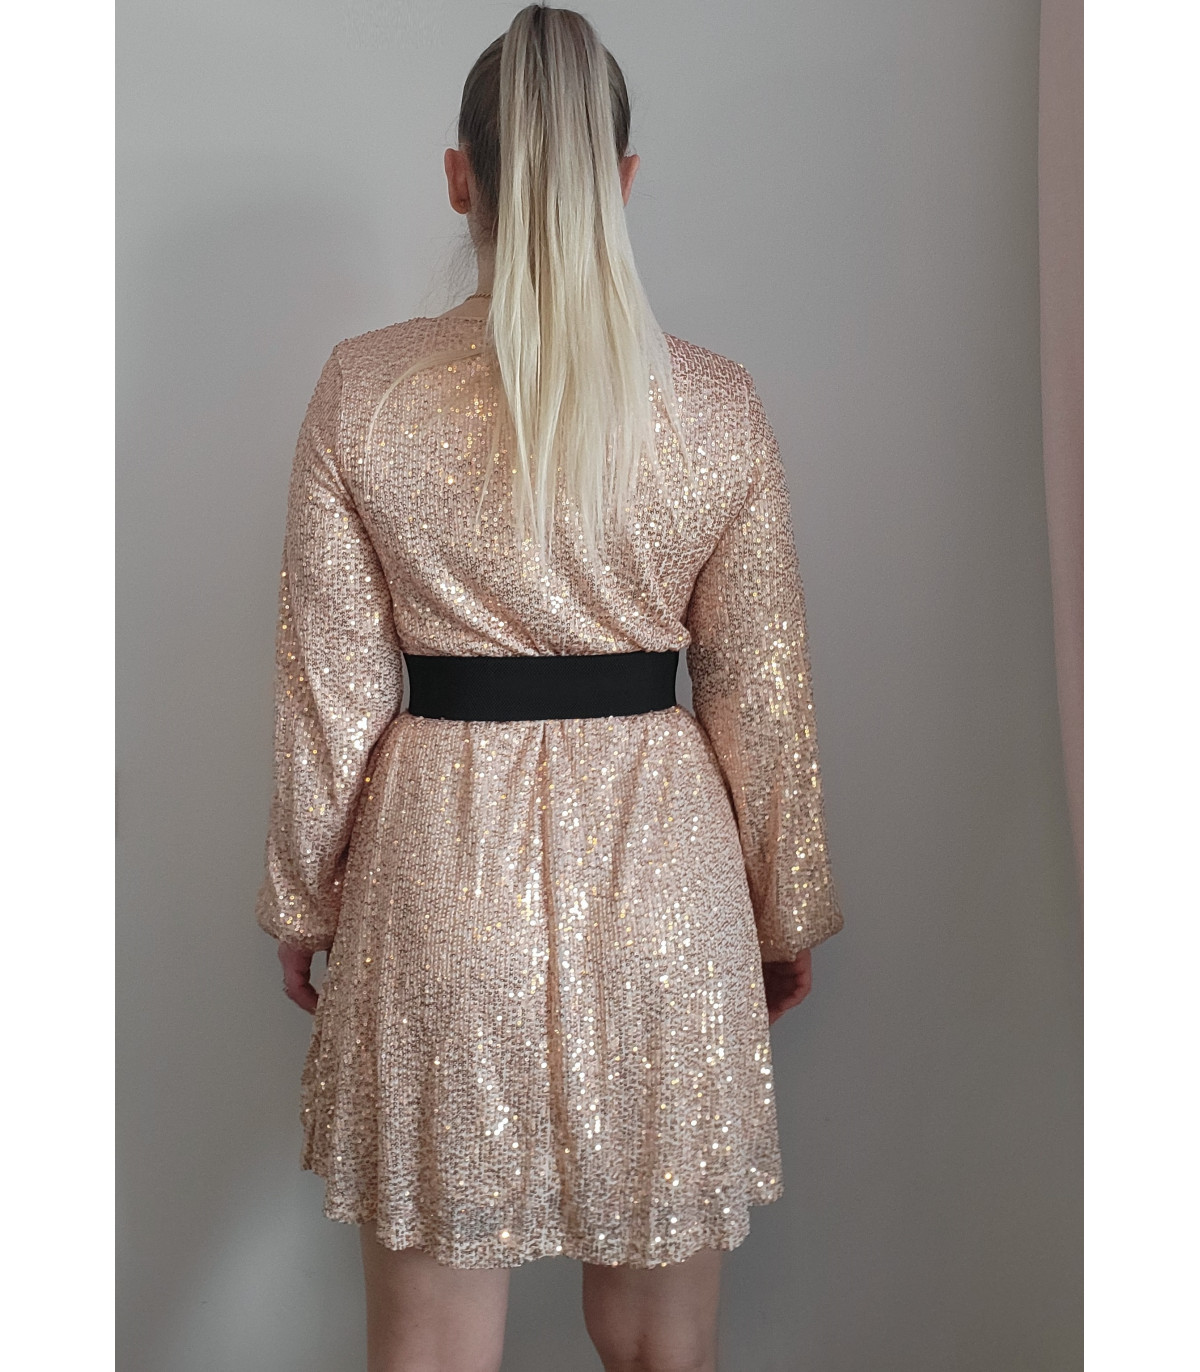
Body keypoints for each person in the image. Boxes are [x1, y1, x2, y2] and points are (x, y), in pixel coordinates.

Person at [254, 6, 844, 1370]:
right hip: (669, 894)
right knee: (661, 1349)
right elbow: (760, 693)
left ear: (458, 177)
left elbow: (328, 689)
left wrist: (302, 897)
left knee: (431, 1351)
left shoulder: (363, 392)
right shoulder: (717, 408)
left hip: (436, 887)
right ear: (622, 180)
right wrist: (784, 906)